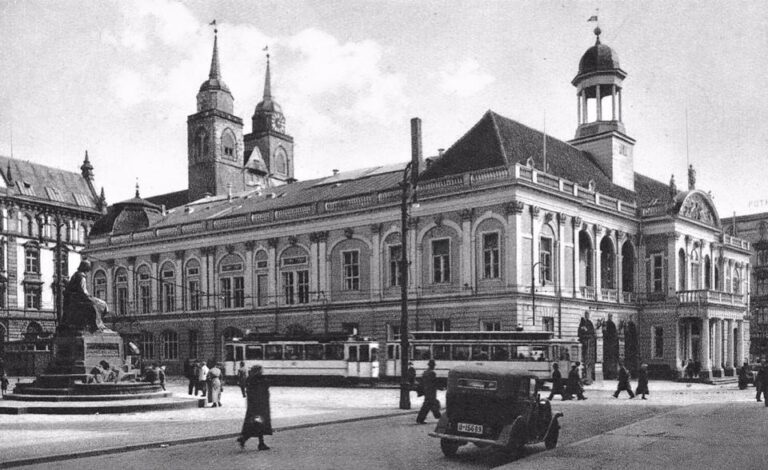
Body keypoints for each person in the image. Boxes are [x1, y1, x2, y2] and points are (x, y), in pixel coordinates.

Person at [61, 260, 111, 333]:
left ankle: (97, 324)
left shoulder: (75, 275)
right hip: (79, 299)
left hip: (75, 299)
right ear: (85, 268)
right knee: (101, 304)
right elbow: (83, 291)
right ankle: (98, 325)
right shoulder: (81, 277)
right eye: (88, 267)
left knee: (98, 303)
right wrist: (91, 297)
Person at [237, 365, 272, 450]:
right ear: (258, 371)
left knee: (256, 424)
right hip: (260, 406)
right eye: (261, 370)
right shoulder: (260, 380)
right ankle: (249, 440)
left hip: (253, 406)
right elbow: (265, 387)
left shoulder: (250, 379)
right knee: (259, 424)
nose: (262, 372)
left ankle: (251, 440)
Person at [416, 359, 441, 424]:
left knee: (431, 404)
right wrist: (440, 387)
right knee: (430, 405)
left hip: (426, 391)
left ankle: (437, 416)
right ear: (432, 366)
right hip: (431, 392)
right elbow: (434, 383)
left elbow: (422, 382)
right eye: (434, 365)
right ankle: (438, 416)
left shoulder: (425, 372)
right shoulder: (432, 373)